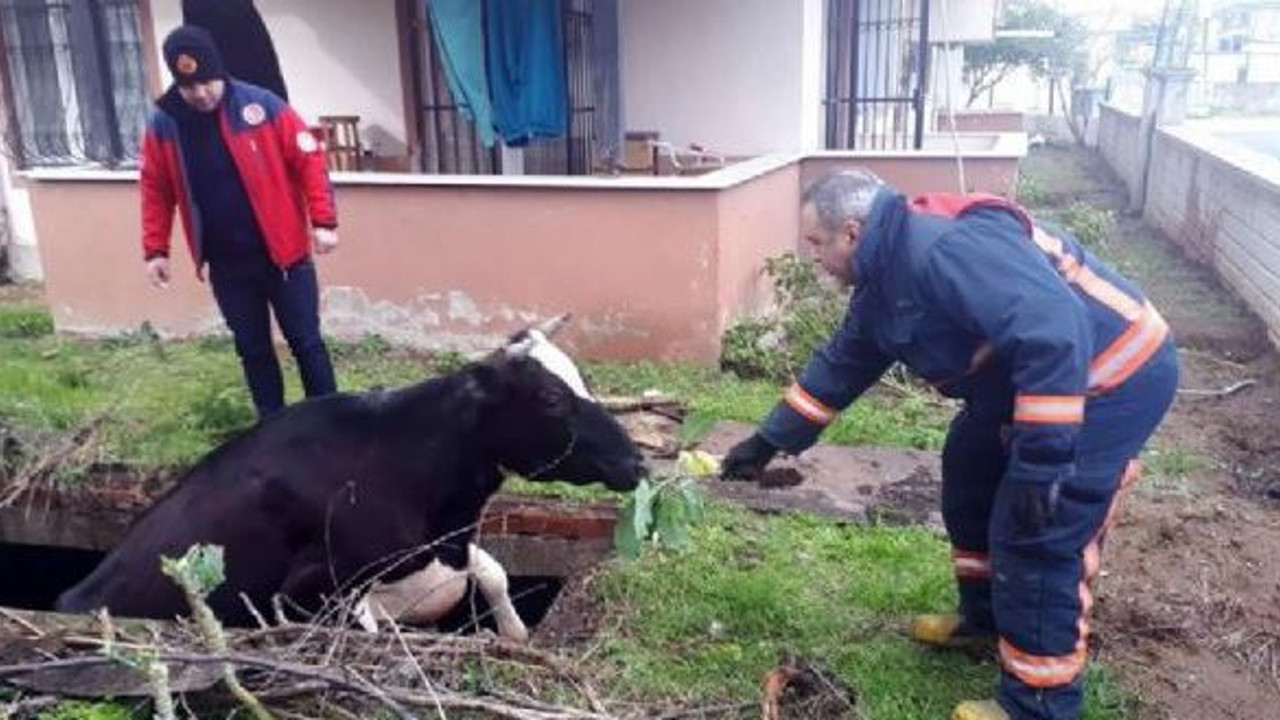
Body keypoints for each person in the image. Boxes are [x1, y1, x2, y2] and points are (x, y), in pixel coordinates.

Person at [722, 170, 1179, 720]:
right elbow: (845, 362)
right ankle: (985, 621)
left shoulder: (943, 248)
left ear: (851, 232)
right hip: (1028, 383)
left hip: (1109, 378)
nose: (813, 258)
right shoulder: (886, 276)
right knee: (970, 470)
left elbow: (1054, 331)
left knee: (1037, 529)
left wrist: (1042, 464)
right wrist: (766, 442)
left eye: (816, 244)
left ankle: (1039, 702)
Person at [141, 26, 339, 418]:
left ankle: (331, 421)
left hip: (284, 258)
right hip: (227, 265)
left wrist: (324, 221)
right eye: (189, 86)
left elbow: (309, 161)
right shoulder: (165, 122)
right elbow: (155, 188)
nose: (200, 94)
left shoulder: (261, 106)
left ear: (220, 72)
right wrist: (155, 250)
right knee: (252, 349)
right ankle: (271, 428)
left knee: (306, 342)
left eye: (206, 82)